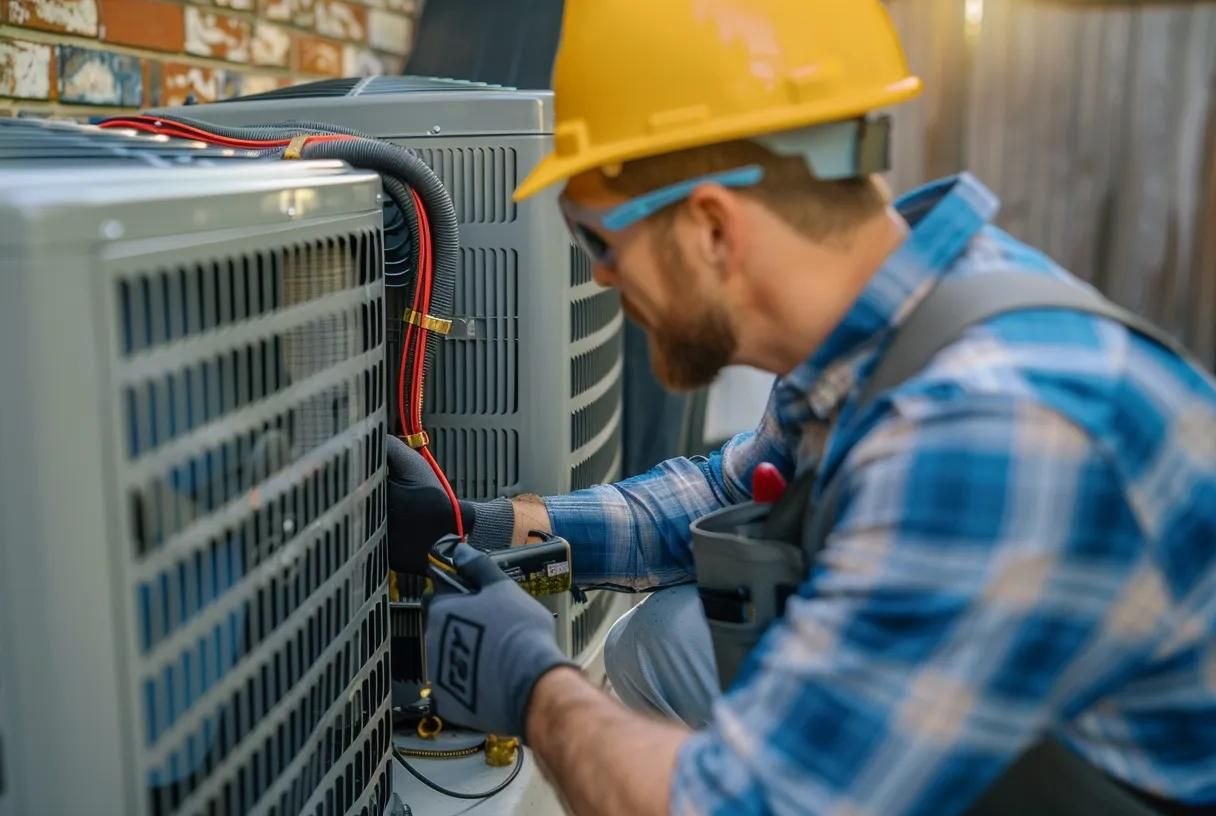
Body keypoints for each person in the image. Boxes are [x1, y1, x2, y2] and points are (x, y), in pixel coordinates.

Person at [386, 1, 1216, 814]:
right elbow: (723, 497)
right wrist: (483, 523)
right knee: (663, 636)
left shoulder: (986, 427)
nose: (600, 275)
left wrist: (534, 687)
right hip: (1022, 731)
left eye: (598, 239)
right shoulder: (876, 332)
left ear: (712, 228)